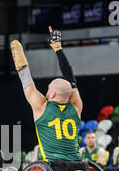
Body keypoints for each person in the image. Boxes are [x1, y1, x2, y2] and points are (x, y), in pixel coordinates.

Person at [10, 26, 82, 162]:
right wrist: (58, 49)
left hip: (53, 168)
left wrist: (19, 55)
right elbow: (71, 80)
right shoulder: (76, 107)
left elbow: (26, 80)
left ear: (53, 94)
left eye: (48, 89)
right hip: (77, 164)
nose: (46, 91)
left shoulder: (41, 106)